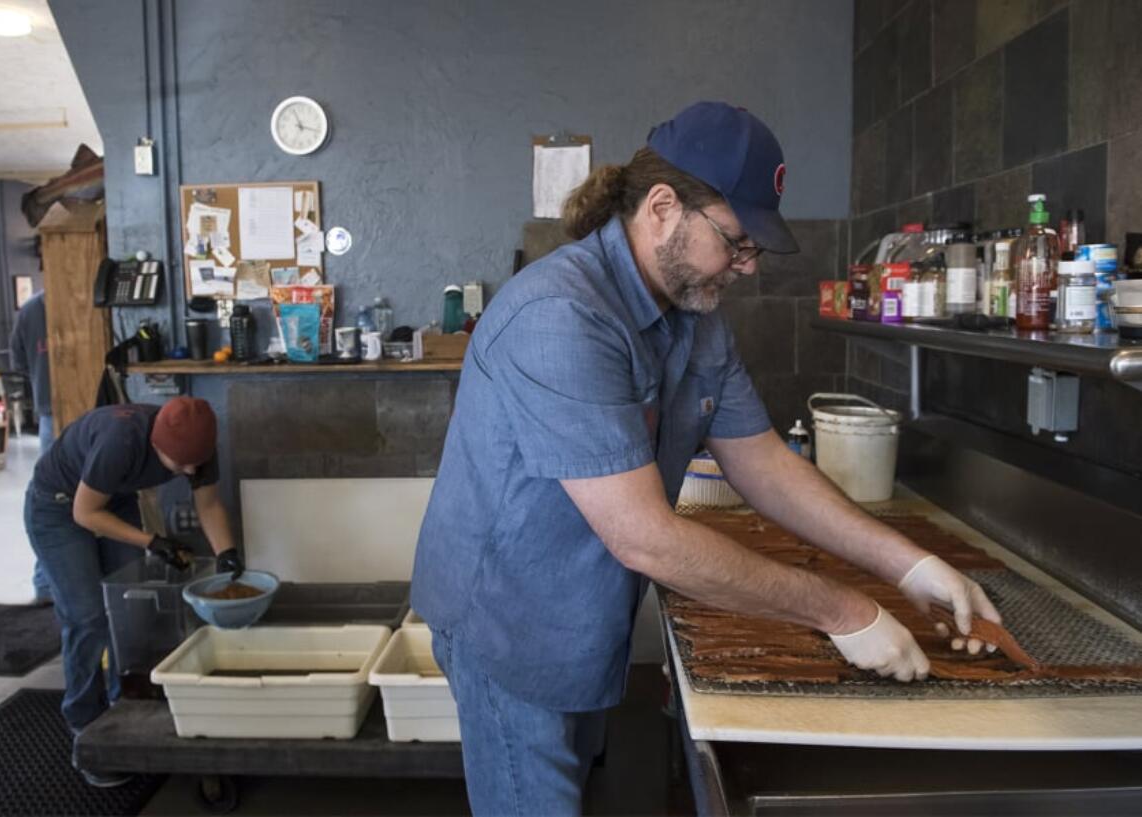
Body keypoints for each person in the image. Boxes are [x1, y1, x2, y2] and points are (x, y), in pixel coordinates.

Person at [410, 102, 1000, 816]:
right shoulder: (560, 318)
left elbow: (764, 464)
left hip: (583, 607)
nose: (746, 267)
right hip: (509, 625)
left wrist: (904, 563)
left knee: (577, 785)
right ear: (662, 208)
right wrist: (843, 611)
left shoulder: (695, 316)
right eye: (737, 242)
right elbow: (644, 535)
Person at [24, 396, 243, 787]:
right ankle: (85, 724)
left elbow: (208, 505)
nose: (191, 470)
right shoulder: (120, 439)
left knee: (129, 604)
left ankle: (121, 705)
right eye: (180, 465)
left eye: (197, 463)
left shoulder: (199, 447)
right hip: (58, 508)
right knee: (88, 614)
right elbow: (84, 513)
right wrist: (151, 541)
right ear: (157, 445)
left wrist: (227, 554)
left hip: (114, 500)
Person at [10, 291, 54, 603]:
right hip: (54, 412)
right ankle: (46, 583)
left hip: (50, 410)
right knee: (51, 498)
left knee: (51, 496)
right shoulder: (30, 311)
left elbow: (20, 363)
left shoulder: (28, 310)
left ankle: (47, 585)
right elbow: (21, 361)